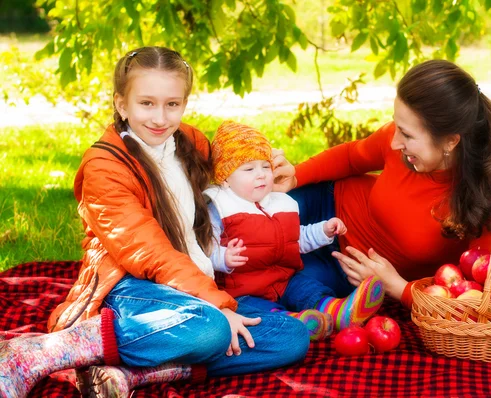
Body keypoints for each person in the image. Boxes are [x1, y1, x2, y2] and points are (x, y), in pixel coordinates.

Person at [0, 47, 309, 398]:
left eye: (172, 104)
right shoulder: (105, 167)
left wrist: (267, 168)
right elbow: (151, 254)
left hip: (192, 284)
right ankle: (39, 353)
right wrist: (220, 306)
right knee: (211, 329)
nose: (160, 118)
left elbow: (231, 172)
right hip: (131, 287)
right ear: (121, 104)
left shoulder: (188, 142)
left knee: (291, 336)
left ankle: (134, 374)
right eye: (147, 103)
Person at [277, 59, 491, 308]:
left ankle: (328, 311)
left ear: (450, 141)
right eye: (397, 126)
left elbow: (487, 297)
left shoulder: (484, 204)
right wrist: (295, 175)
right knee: (244, 223)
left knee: (274, 282)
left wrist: (396, 287)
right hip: (325, 205)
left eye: (408, 135)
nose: (395, 142)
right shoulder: (398, 142)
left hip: (347, 270)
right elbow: (350, 157)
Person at [204, 120, 385, 339]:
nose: (260, 174)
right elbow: (203, 247)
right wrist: (223, 257)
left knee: (306, 288)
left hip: (284, 280)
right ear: (224, 178)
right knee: (253, 309)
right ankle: (295, 322)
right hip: (241, 290)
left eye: (265, 166)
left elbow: (296, 239)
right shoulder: (219, 208)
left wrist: (323, 231)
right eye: (249, 169)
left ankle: (336, 312)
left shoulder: (280, 203)